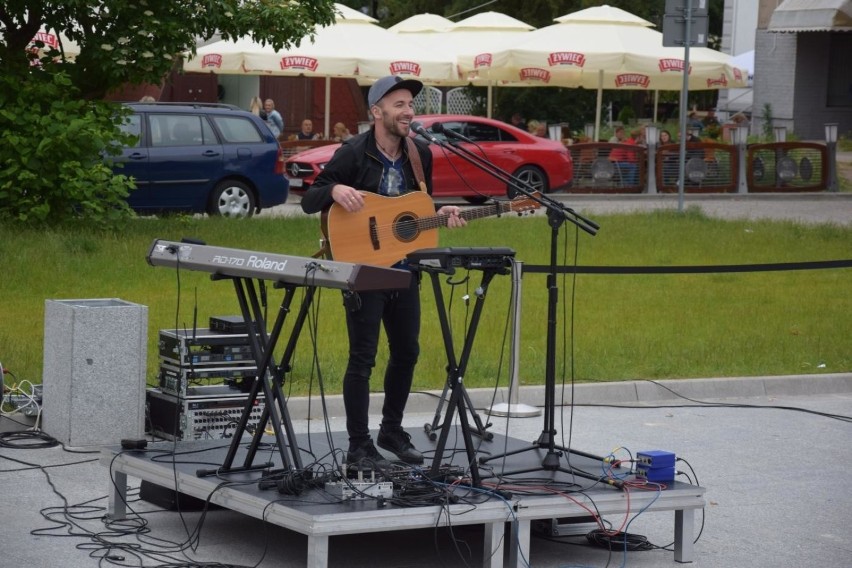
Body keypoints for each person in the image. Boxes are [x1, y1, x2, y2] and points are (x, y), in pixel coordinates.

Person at [300, 75, 466, 470]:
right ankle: (359, 445)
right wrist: (335, 190)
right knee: (363, 357)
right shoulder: (353, 152)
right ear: (377, 112)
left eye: (410, 104)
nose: (408, 111)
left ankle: (391, 429)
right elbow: (311, 198)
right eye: (399, 105)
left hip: (404, 265)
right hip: (363, 268)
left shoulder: (419, 153)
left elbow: (416, 204)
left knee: (407, 351)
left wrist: (439, 212)